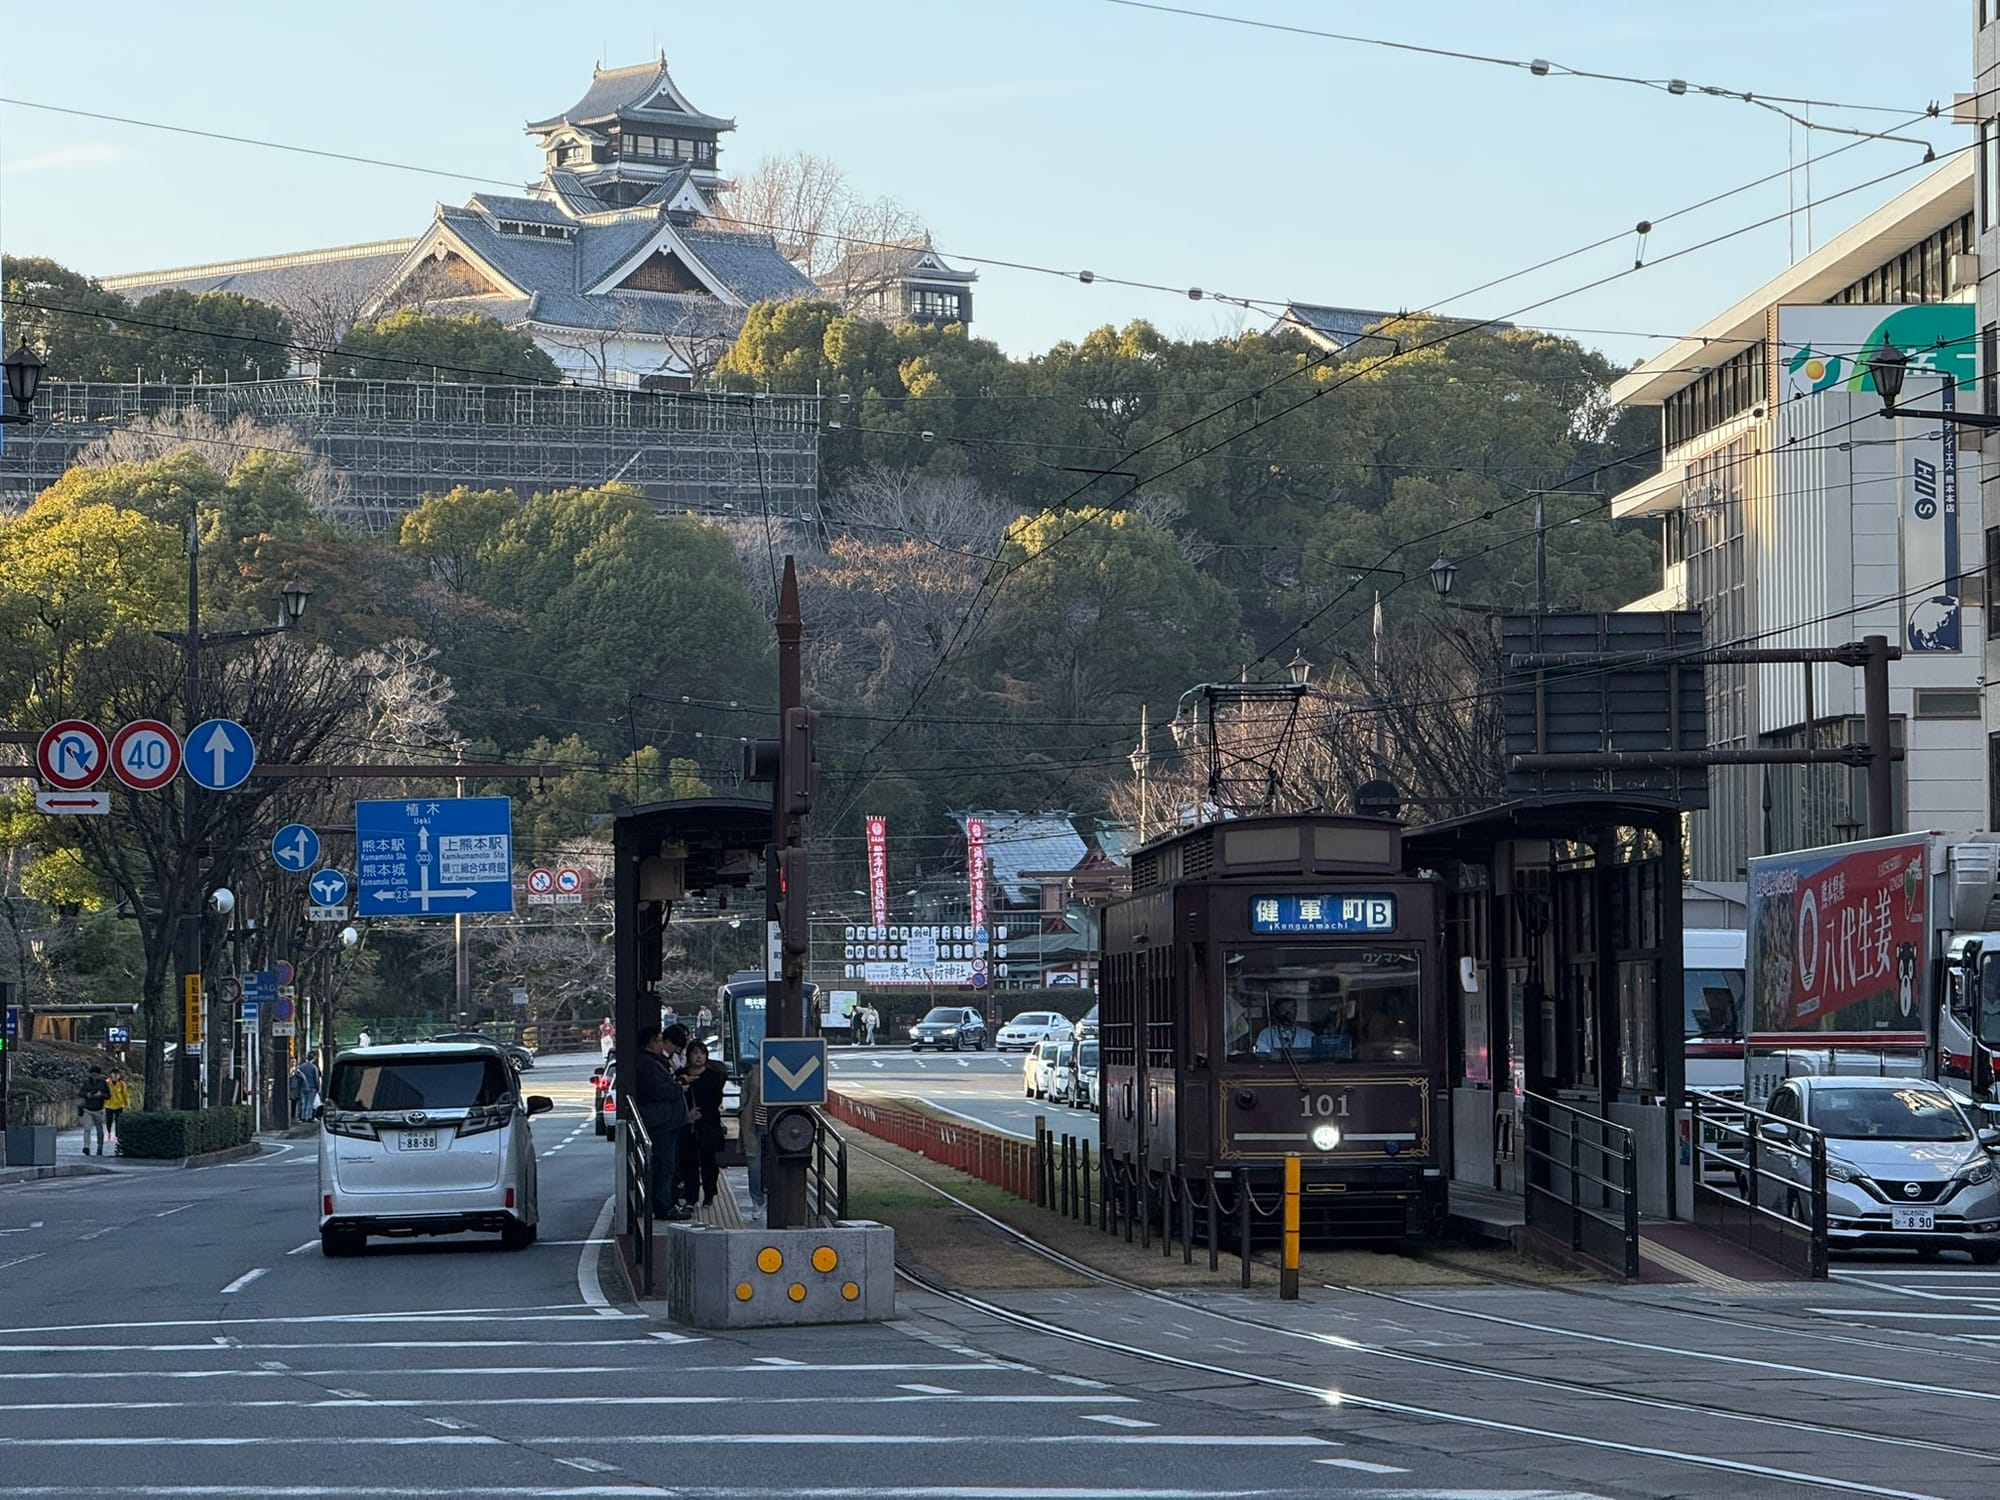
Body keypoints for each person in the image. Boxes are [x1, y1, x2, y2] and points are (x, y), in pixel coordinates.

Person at [631, 1024, 691, 1220]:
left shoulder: (653, 1062)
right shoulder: (648, 1064)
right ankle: (664, 1206)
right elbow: (657, 1090)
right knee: (665, 1166)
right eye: (658, 1040)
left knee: (667, 1165)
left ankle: (666, 1203)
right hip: (662, 1122)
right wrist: (678, 1087)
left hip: (665, 1120)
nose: (661, 1044)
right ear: (651, 1043)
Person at [679, 1040, 726, 1207]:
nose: (698, 1057)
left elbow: (715, 1100)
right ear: (688, 1055)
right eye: (695, 1053)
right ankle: (691, 1196)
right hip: (687, 1124)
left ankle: (709, 1193)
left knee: (709, 1161)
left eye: (702, 1053)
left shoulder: (713, 1076)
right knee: (689, 1161)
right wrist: (688, 1114)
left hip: (708, 1123)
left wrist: (701, 1113)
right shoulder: (681, 1075)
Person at [740, 1046, 765, 1209]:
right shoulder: (754, 1073)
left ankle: (770, 1198)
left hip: (777, 1126)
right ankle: (757, 1200)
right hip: (753, 1124)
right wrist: (742, 1111)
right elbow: (744, 1095)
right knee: (754, 1165)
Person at [76, 1067, 112, 1156]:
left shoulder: (103, 1083)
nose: (94, 1076)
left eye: (96, 1074)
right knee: (87, 1129)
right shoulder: (86, 1083)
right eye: (93, 1074)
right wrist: (87, 1095)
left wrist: (101, 1095)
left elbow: (108, 1096)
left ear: (99, 1075)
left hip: (99, 1109)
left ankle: (100, 1147)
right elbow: (80, 1093)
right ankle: (86, 1147)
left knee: (99, 1130)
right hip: (87, 1109)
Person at [104, 1070, 131, 1147]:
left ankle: (117, 1135)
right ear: (111, 1075)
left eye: (117, 1074)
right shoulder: (107, 1083)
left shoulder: (122, 1084)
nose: (116, 1076)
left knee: (118, 1121)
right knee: (109, 1120)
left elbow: (125, 1094)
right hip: (109, 1105)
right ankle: (109, 1132)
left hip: (119, 1105)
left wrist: (127, 1104)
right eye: (114, 1074)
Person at [296, 1054, 321, 1120]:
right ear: (313, 1059)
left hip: (303, 1087)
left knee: (304, 1102)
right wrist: (318, 1087)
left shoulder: (301, 1067)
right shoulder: (314, 1067)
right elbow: (316, 1078)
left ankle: (303, 1116)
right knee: (310, 1102)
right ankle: (308, 1117)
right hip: (312, 1087)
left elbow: (298, 1077)